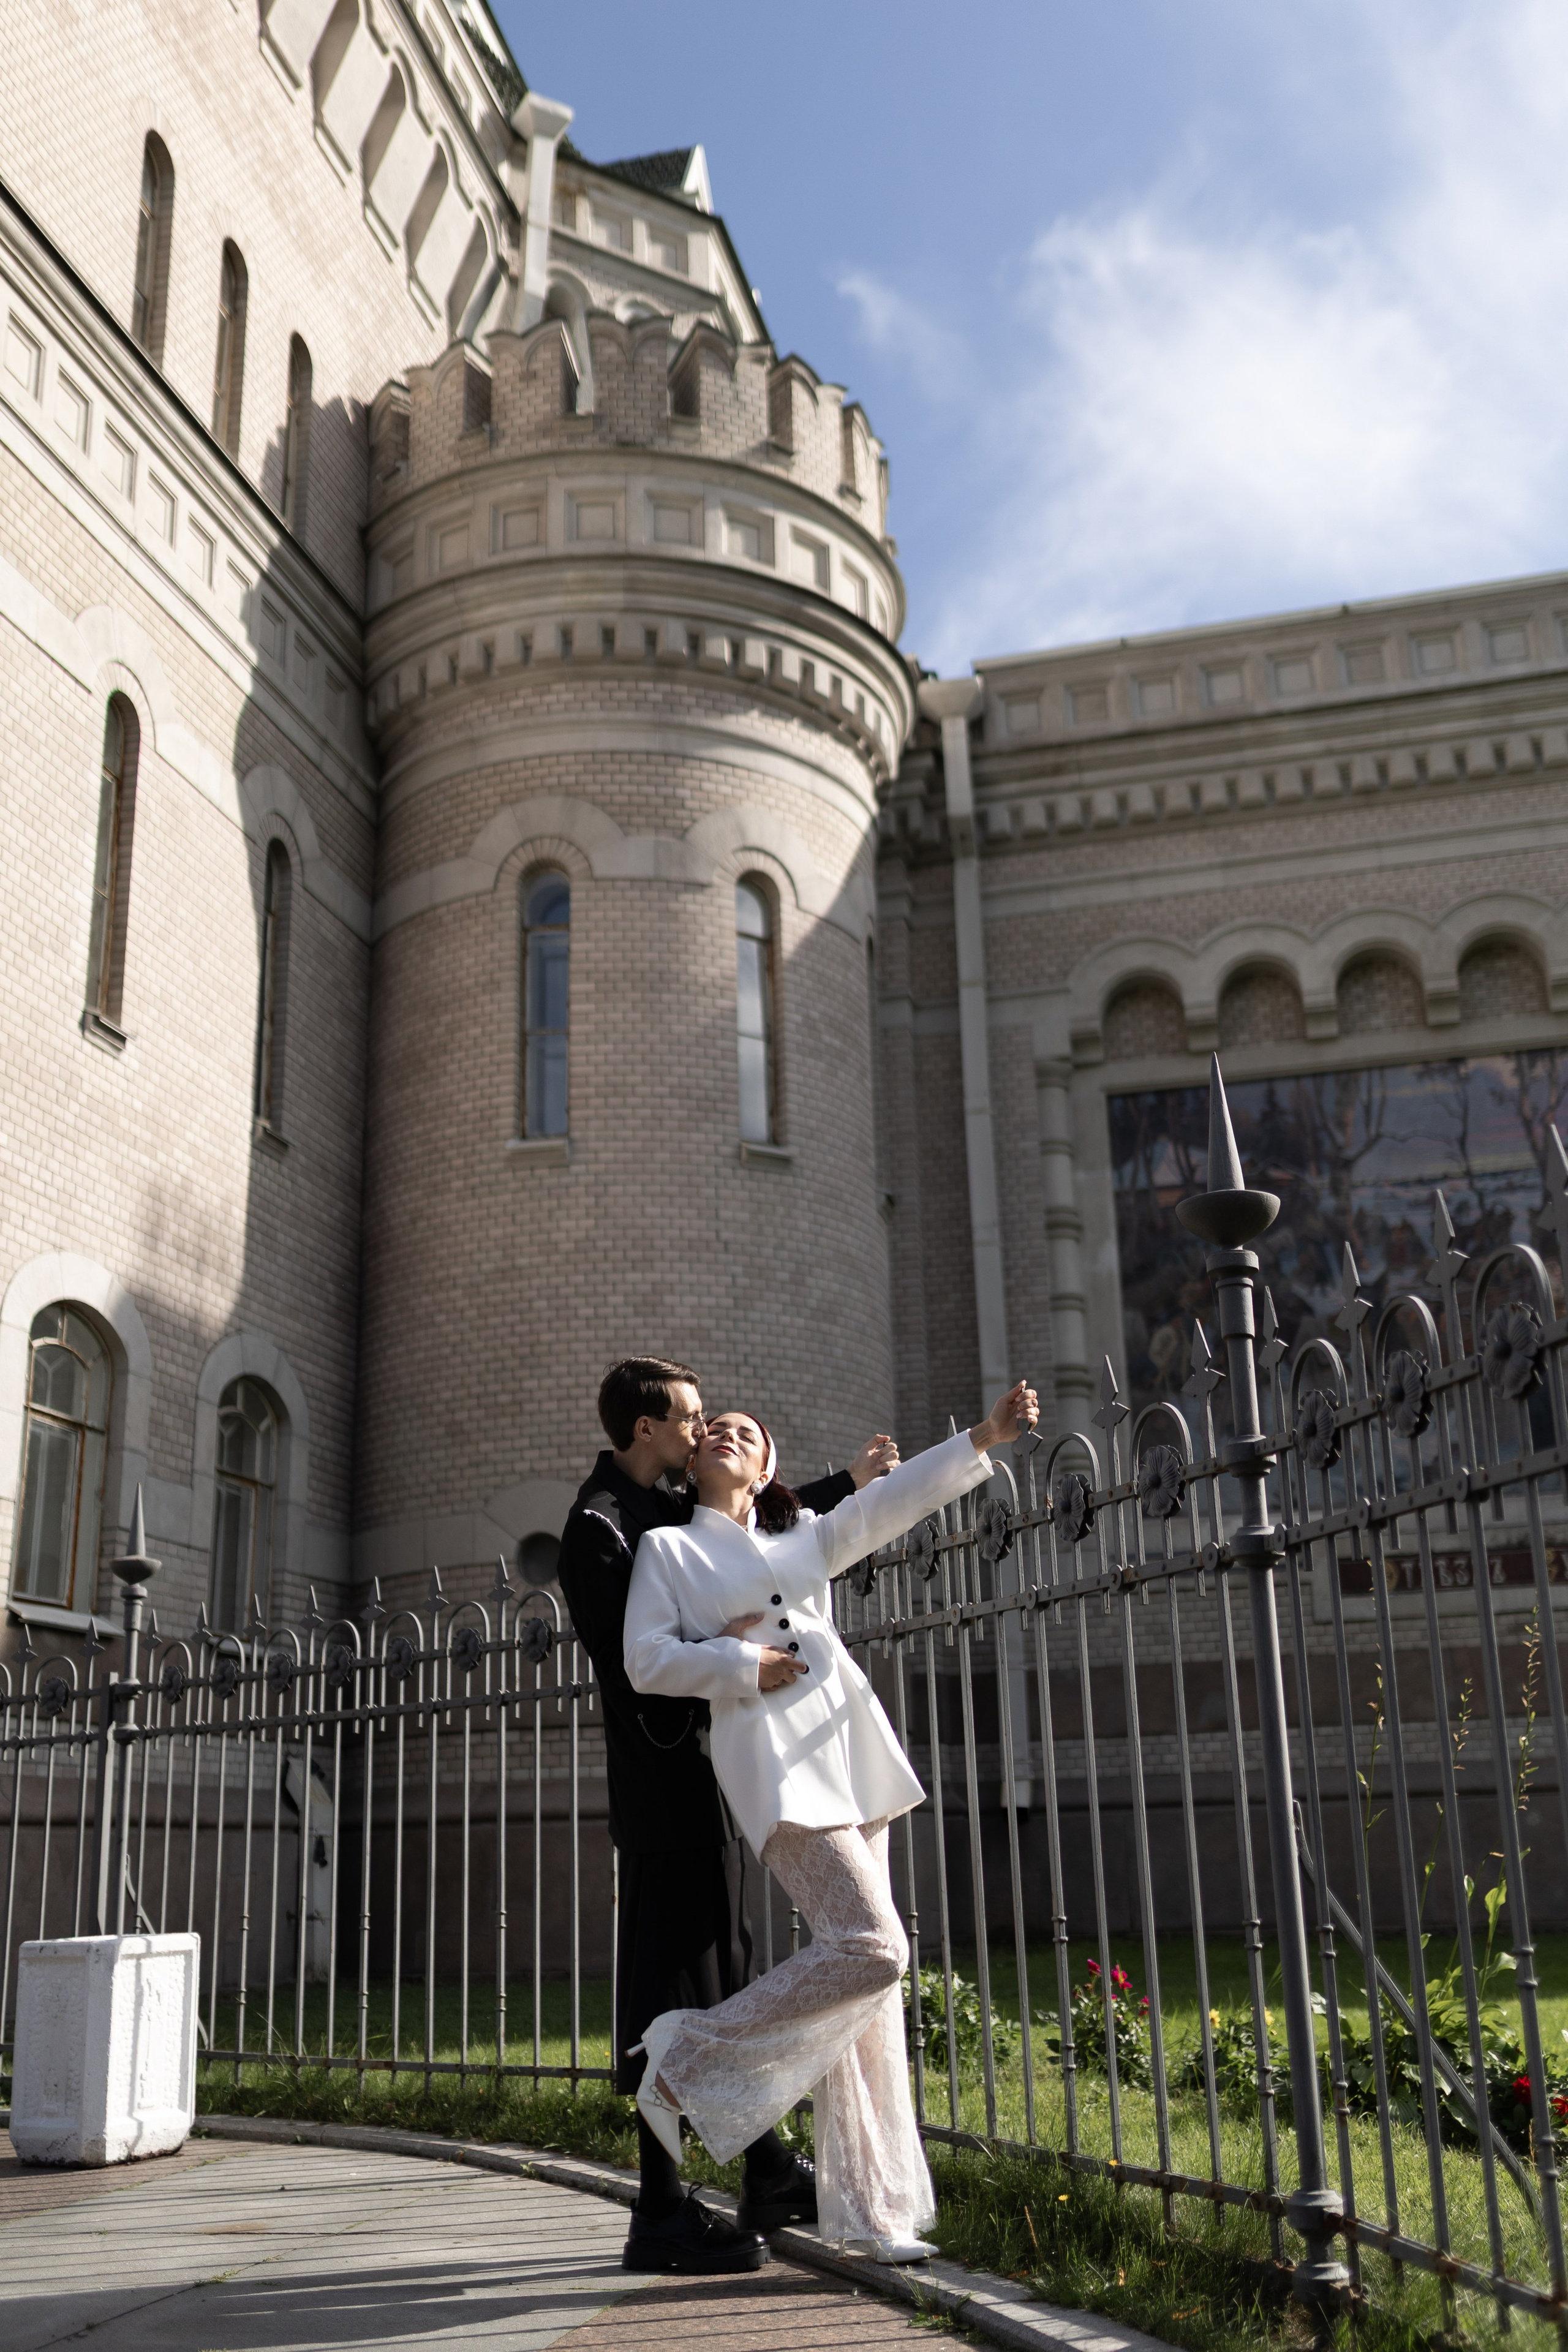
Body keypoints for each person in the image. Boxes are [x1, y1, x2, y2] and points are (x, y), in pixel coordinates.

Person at [622, 1379, 1038, 2263]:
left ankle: (870, 2213)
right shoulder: (666, 1549)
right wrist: (741, 1662)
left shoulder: (801, 1537)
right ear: (693, 1460)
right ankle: (687, 2053)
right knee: (875, 1947)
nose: (728, 1434)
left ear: (767, 1466)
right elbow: (645, 1660)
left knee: (868, 1995)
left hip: (850, 1760)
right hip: (775, 1775)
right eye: (716, 1431)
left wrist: (983, 1437)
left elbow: (884, 1506)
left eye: (748, 1432)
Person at [554, 1355, 899, 2275]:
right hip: (665, 1793)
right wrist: (732, 1657)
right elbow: (637, 1683)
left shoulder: (661, 1513)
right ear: (647, 1432)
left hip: (714, 1782)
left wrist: (851, 1485)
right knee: (673, 1991)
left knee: (724, 1972)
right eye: (691, 1419)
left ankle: (763, 2168)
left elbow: (750, 1530)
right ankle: (660, 2212)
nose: (703, 1432)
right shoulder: (597, 1531)